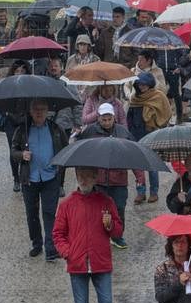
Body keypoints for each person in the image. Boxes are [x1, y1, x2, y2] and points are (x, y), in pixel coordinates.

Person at [51, 167, 124, 303]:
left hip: (101, 263)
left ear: (94, 178)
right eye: (80, 176)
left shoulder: (106, 202)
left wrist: (109, 225)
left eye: (87, 176)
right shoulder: (67, 204)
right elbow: (58, 234)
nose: (83, 179)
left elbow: (117, 232)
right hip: (78, 265)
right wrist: (68, 253)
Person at [12, 100, 69, 261]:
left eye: (42, 109)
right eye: (35, 109)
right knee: (32, 213)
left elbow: (65, 151)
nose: (39, 112)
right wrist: (21, 155)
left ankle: (51, 248)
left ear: (47, 111)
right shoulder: (22, 129)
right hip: (29, 178)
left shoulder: (55, 129)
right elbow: (13, 151)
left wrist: (61, 177)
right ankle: (36, 243)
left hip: (50, 177)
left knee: (49, 213)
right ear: (30, 111)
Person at [77, 103, 133, 248]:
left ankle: (117, 236)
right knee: (97, 209)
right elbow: (81, 151)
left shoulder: (123, 132)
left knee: (119, 208)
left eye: (109, 119)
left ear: (114, 118)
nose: (107, 122)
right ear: (98, 118)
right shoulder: (89, 131)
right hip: (99, 179)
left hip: (119, 179)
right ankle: (98, 235)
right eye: (104, 119)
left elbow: (132, 152)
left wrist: (140, 178)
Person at [125, 72, 171, 204]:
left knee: (152, 165)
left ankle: (154, 192)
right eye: (139, 84)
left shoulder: (159, 96)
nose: (141, 86)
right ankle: (141, 192)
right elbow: (130, 117)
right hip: (136, 134)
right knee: (138, 166)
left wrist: (156, 121)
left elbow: (166, 113)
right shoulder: (135, 98)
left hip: (152, 134)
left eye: (144, 84)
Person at [0, 60, 32, 192]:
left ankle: (25, 175)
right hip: (11, 122)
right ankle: (16, 178)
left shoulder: (30, 85)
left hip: (26, 120)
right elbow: (1, 104)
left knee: (27, 148)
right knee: (14, 149)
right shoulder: (7, 86)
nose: (19, 74)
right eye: (17, 71)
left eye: (22, 71)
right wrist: (9, 114)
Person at [45, 56, 82, 136]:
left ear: (61, 67)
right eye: (51, 66)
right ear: (48, 68)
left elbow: (77, 104)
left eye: (56, 66)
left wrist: (78, 124)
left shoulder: (68, 83)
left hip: (65, 124)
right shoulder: (44, 83)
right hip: (48, 123)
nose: (53, 68)